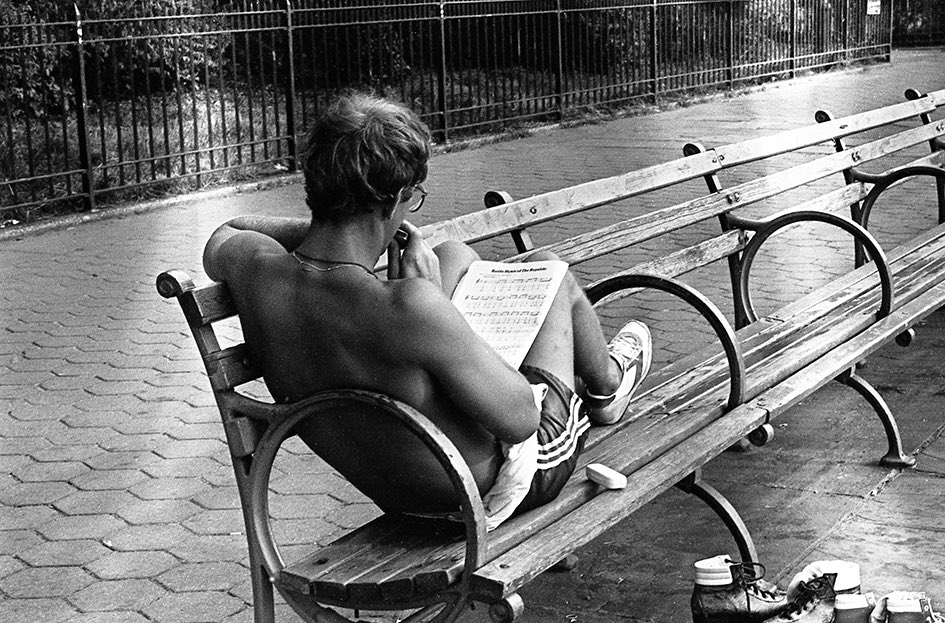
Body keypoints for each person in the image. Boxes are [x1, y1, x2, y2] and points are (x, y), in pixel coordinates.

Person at [203, 92, 652, 529]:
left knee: (453, 253)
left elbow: (227, 230)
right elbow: (521, 421)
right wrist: (433, 305)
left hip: (404, 494)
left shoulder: (256, 271)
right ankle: (608, 388)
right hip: (486, 492)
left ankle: (498, 359)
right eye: (412, 198)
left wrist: (335, 227)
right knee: (550, 274)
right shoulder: (409, 307)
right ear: (393, 199)